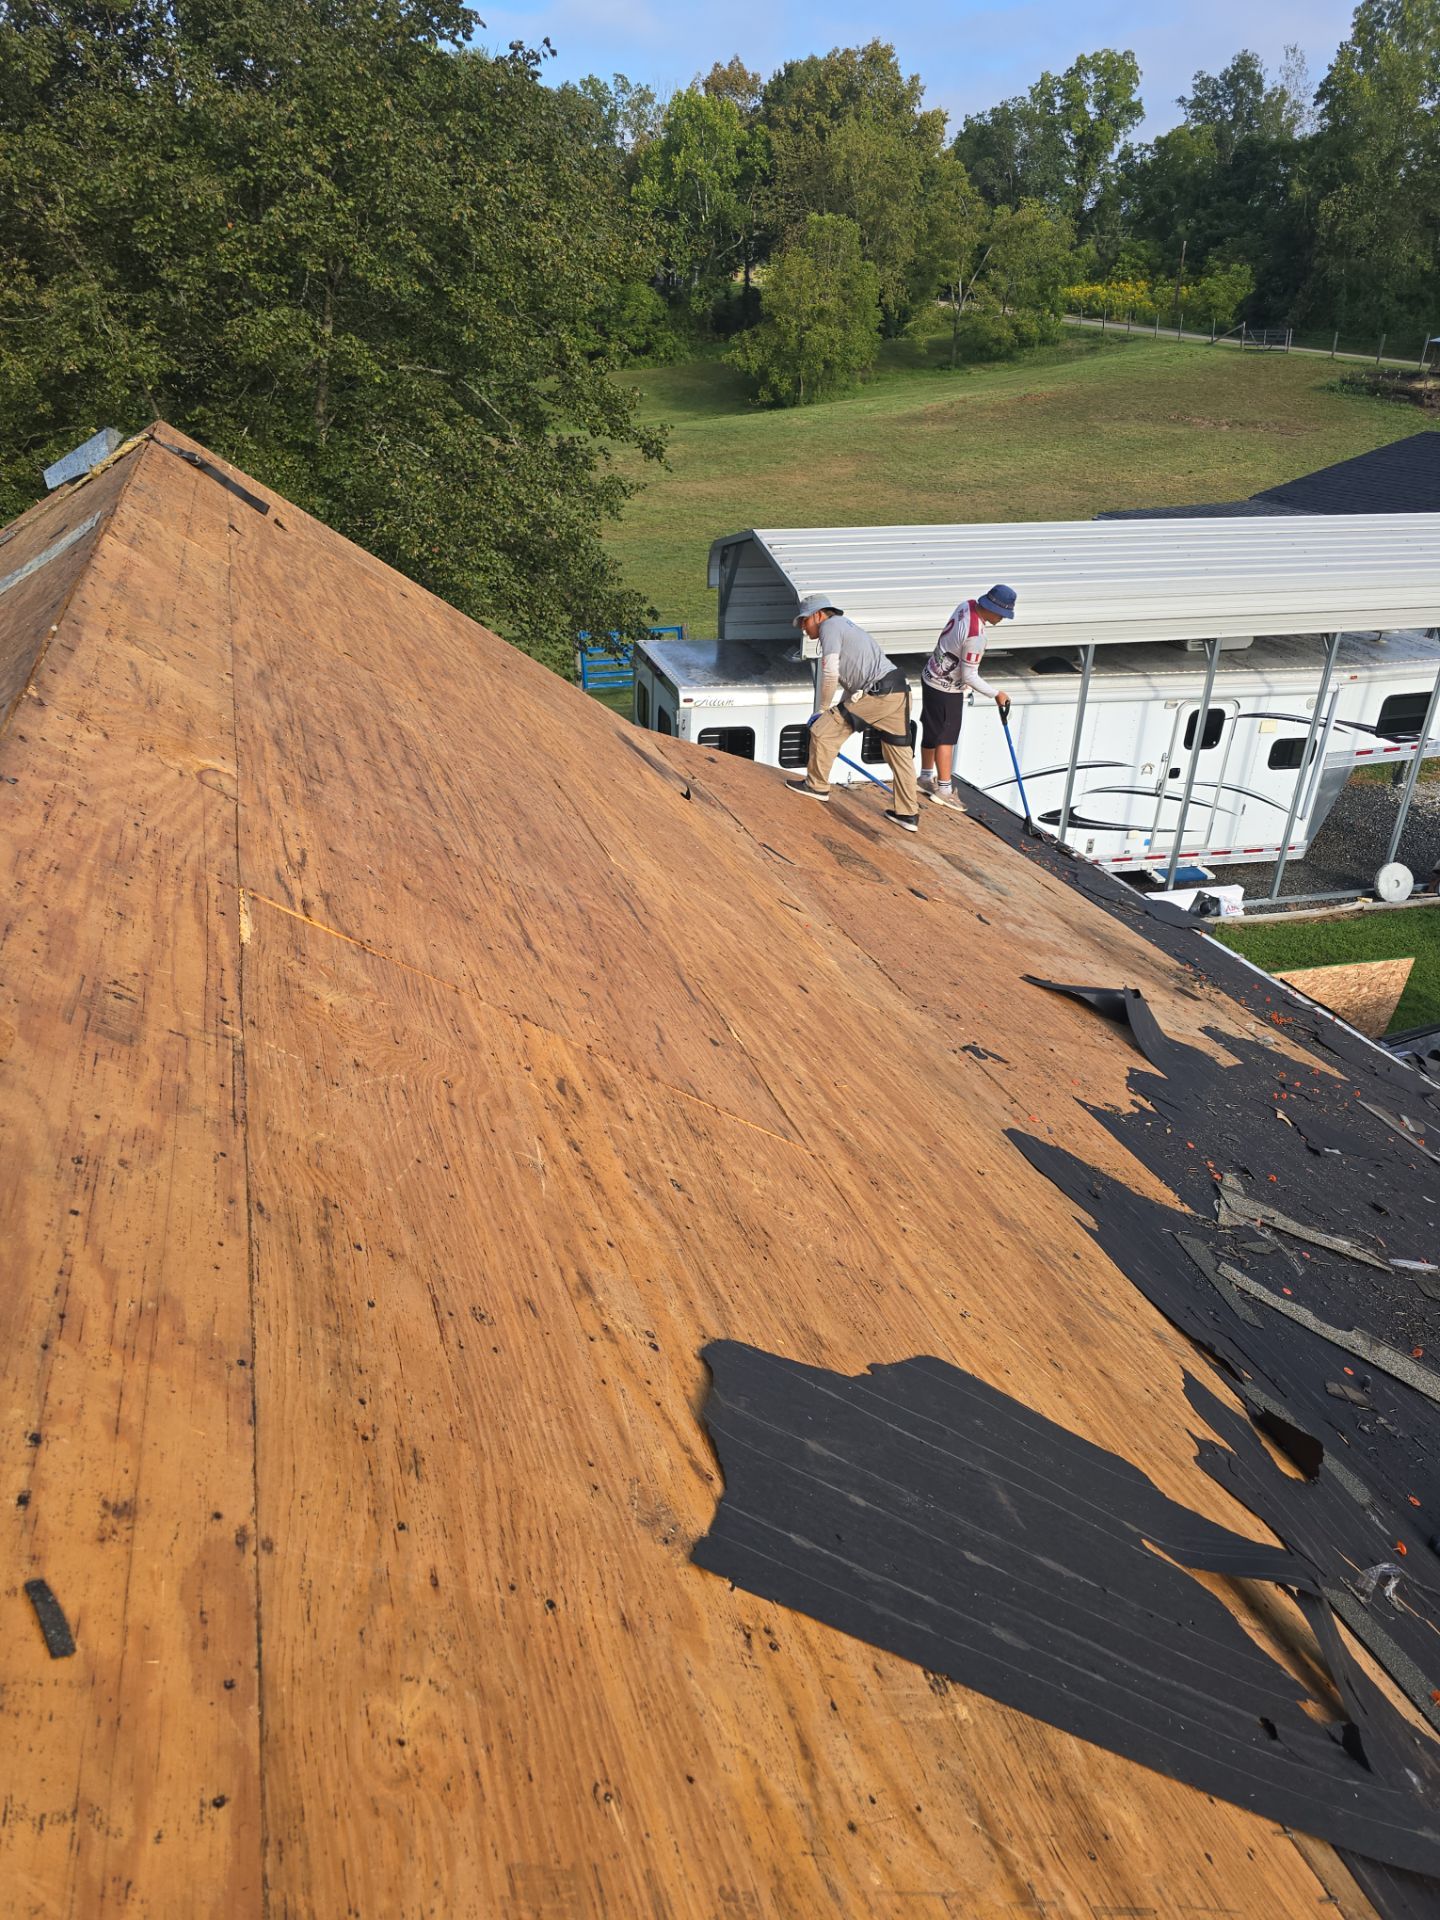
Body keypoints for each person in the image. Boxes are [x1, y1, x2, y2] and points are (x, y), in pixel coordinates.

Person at [785, 594, 919, 832]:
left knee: (822, 731)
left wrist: (823, 711)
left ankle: (817, 786)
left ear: (818, 614)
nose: (804, 629)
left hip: (879, 694)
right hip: (899, 691)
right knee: (898, 753)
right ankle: (907, 814)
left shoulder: (830, 626)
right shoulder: (847, 627)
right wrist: (836, 710)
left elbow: (830, 674)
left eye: (805, 621)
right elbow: (852, 690)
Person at [917, 585, 1017, 807]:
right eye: (1002, 614)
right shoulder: (976, 637)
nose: (1002, 619)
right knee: (946, 737)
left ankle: (925, 777)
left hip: (931, 674)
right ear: (992, 609)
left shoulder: (967, 605)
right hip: (948, 688)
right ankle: (943, 788)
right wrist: (996, 694)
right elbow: (969, 675)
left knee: (931, 728)